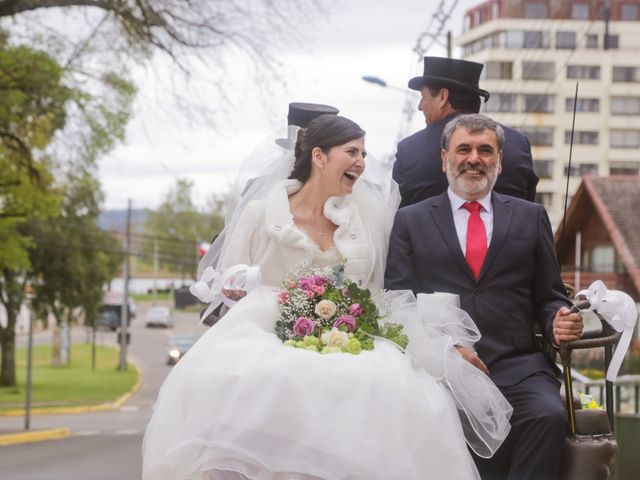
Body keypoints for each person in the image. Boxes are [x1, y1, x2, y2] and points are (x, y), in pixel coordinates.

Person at [143, 114, 512, 480]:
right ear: (319, 157)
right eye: (352, 152)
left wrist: (440, 346)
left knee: (393, 392)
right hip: (268, 331)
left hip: (350, 335)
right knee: (257, 382)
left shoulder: (363, 219)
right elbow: (230, 278)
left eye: (364, 154)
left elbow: (385, 295)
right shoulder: (260, 214)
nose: (361, 163)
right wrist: (237, 285)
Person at [385, 113, 584, 480]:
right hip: (445, 370)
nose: (474, 158)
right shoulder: (410, 221)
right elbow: (399, 301)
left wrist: (558, 318)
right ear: (444, 158)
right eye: (464, 149)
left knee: (548, 415)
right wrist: (443, 350)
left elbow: (549, 296)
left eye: (484, 150)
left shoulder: (531, 216)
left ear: (499, 161)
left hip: (520, 366)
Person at [393, 56, 538, 208]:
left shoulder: (410, 149)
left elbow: (397, 216)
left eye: (423, 96)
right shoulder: (518, 143)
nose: (420, 106)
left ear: (443, 96)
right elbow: (528, 211)